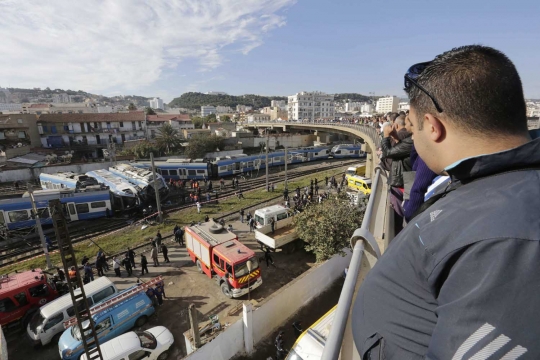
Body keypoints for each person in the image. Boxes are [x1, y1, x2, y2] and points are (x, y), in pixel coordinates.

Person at [353, 45, 540, 358]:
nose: (414, 139)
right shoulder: (496, 185)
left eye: (413, 129)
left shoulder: (509, 241)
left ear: (434, 128)